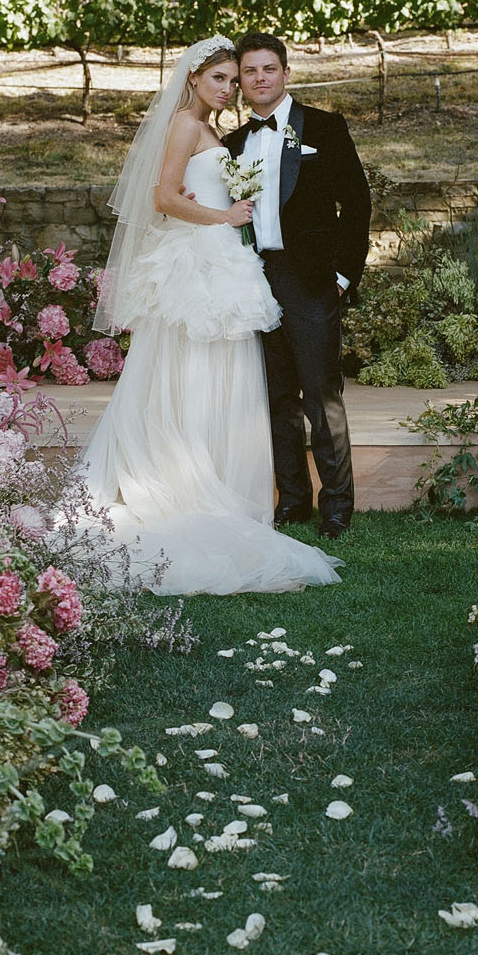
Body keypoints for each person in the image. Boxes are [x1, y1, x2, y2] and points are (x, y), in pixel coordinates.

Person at [69, 35, 342, 596]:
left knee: (250, 383)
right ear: (192, 78)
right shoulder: (187, 126)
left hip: (235, 269)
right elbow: (163, 197)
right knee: (197, 376)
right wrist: (223, 218)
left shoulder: (222, 132)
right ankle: (187, 485)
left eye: (231, 78)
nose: (229, 87)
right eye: (220, 78)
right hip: (203, 263)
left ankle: (240, 485)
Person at [227, 32, 372, 539]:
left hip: (310, 280)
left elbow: (357, 203)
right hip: (253, 279)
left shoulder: (324, 129)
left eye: (269, 69)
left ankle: (337, 505)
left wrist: (341, 275)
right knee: (276, 396)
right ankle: (292, 500)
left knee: (320, 395)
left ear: (286, 73)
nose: (260, 78)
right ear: (241, 82)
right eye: (250, 71)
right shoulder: (232, 145)